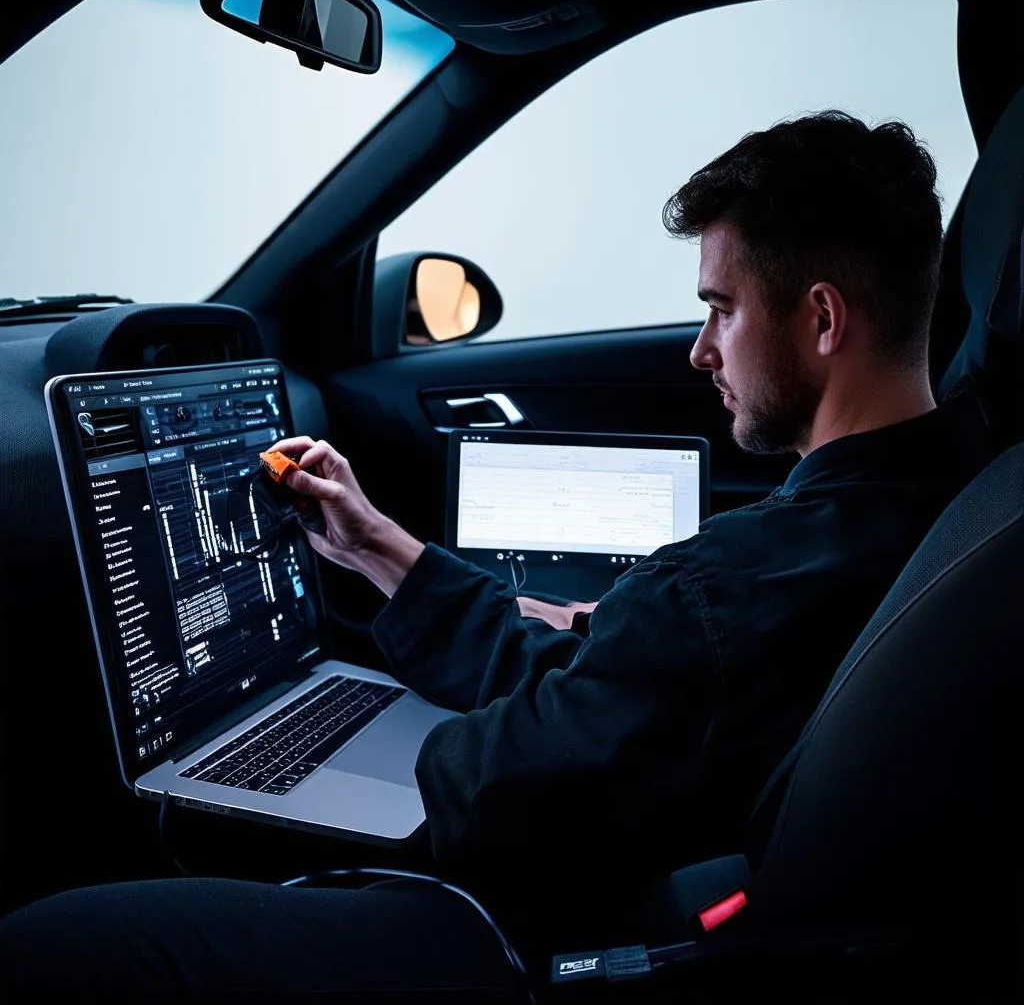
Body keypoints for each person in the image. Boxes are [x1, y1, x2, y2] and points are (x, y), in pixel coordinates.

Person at [0, 111, 988, 998]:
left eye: (719, 307)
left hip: (538, 936)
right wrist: (382, 545)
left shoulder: (732, 587)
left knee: (55, 946)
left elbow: (495, 789)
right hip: (685, 873)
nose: (699, 350)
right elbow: (607, 695)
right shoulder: (946, 500)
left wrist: (331, 744)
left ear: (820, 320)